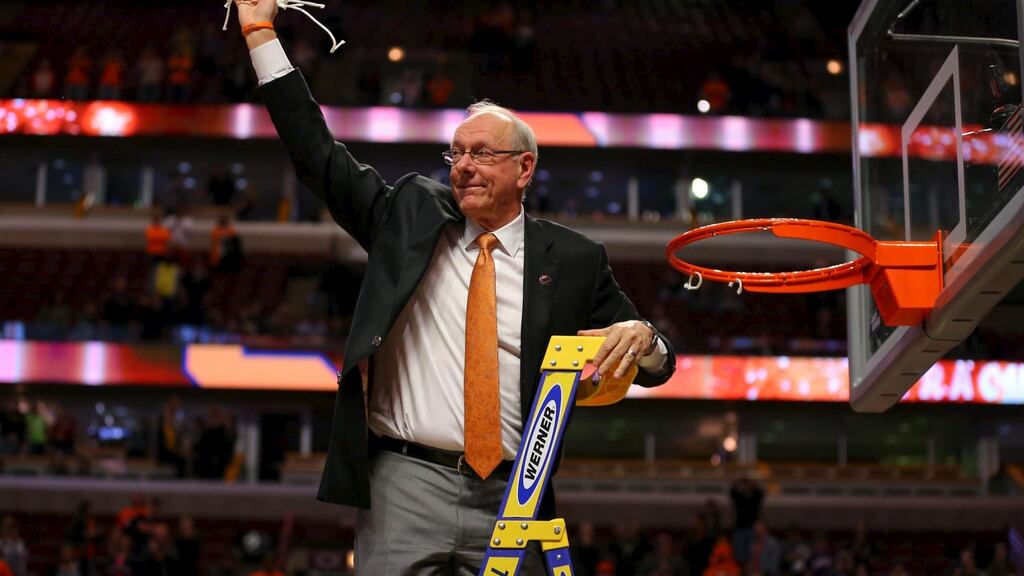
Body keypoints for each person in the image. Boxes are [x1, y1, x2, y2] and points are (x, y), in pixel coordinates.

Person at [234, 1, 676, 573]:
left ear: (524, 168)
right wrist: (260, 32)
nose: (463, 165)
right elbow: (316, 154)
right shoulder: (409, 215)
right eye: (457, 153)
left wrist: (644, 338)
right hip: (404, 483)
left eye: (482, 153)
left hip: (518, 491)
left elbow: (657, 365)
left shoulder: (574, 258)